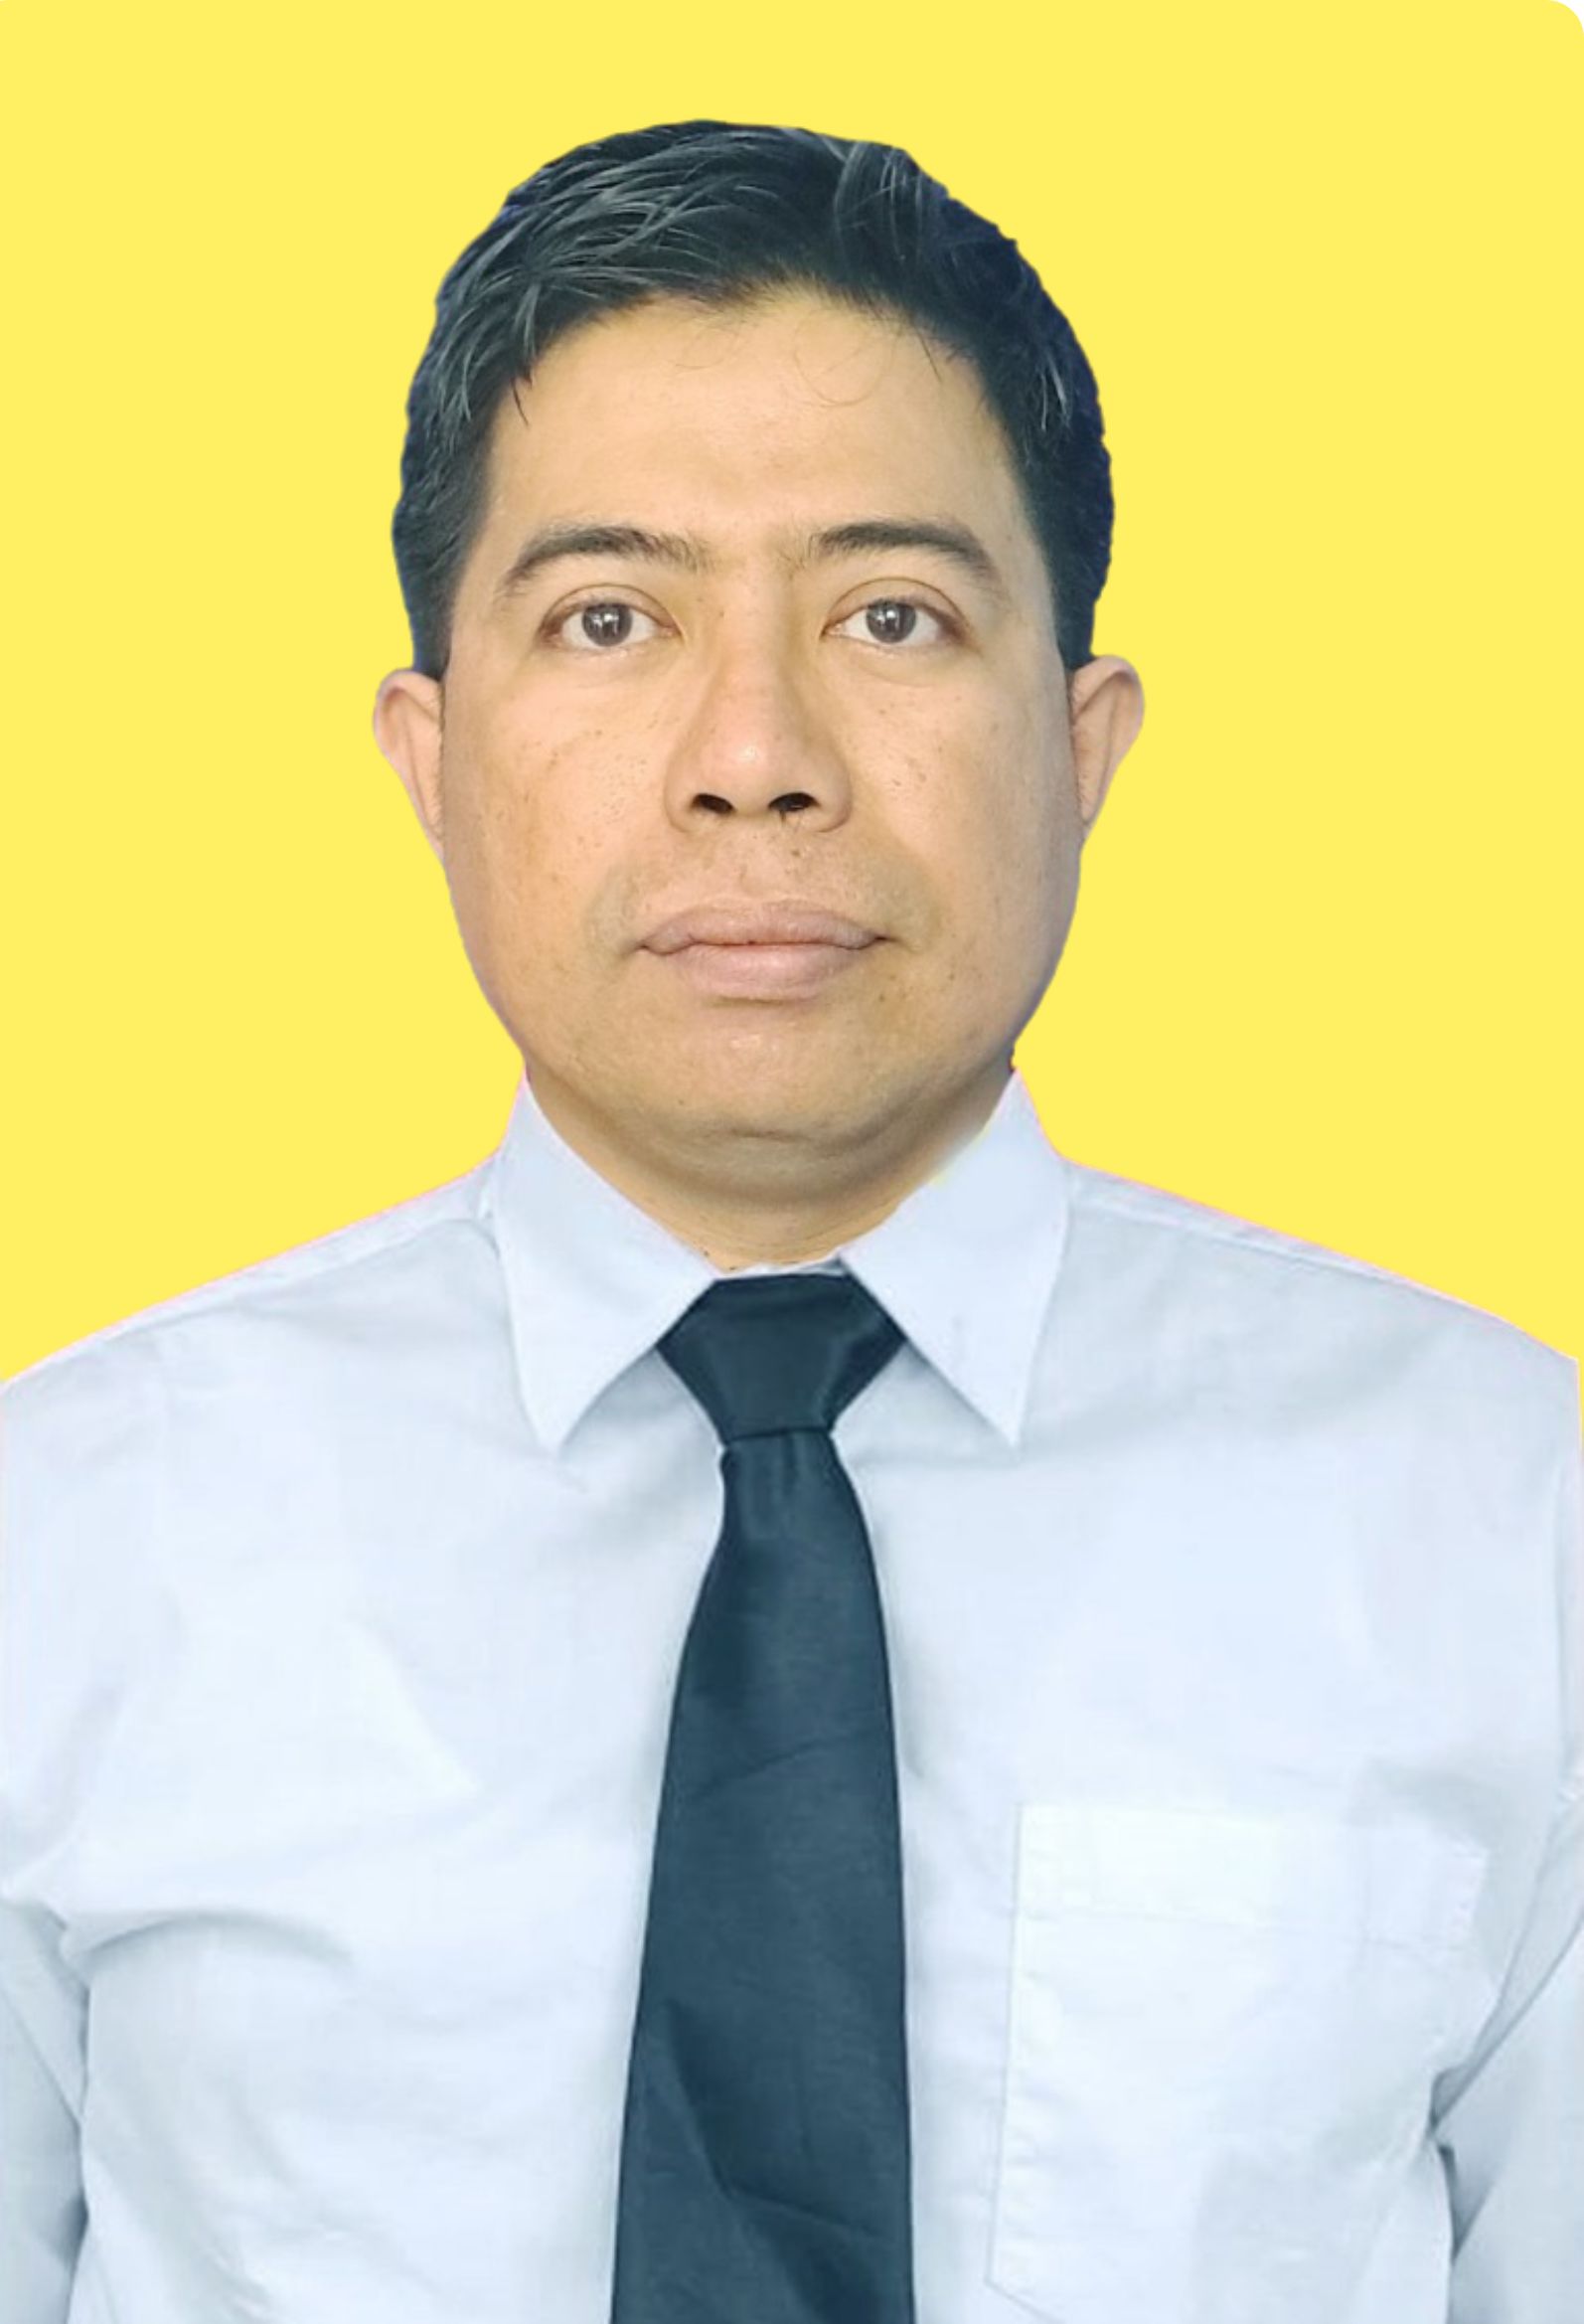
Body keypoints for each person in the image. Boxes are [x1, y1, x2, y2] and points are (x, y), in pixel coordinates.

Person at [1, 118, 1578, 2324]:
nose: (754, 753)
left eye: (890, 614)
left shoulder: (1505, 1516)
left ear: (1082, 743)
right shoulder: (62, 1536)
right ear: (430, 755)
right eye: (610, 617)